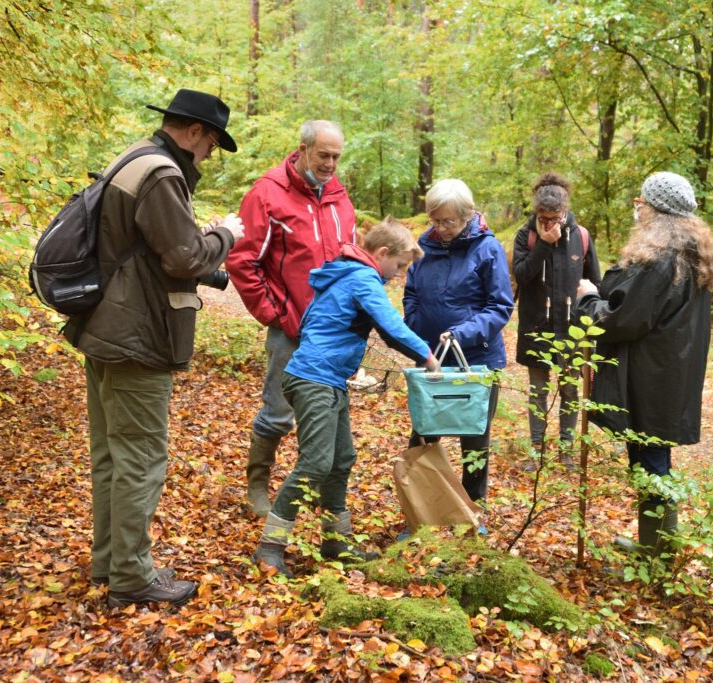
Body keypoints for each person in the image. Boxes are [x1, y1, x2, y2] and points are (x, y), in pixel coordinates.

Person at [66, 89, 244, 608]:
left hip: (103, 326)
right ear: (195, 133)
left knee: (112, 455)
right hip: (136, 336)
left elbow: (151, 248)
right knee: (142, 458)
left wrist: (197, 241)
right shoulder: (162, 173)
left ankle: (113, 561)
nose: (208, 155)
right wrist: (226, 236)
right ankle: (131, 575)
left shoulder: (132, 158)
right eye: (211, 144)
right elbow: (184, 257)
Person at [252, 218, 437, 576]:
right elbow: (390, 325)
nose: (398, 275)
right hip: (313, 379)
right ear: (382, 254)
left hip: (327, 379)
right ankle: (270, 547)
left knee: (341, 458)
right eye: (398, 266)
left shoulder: (343, 274)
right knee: (316, 463)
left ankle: (336, 541)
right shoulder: (361, 278)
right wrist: (426, 355)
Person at [576, 171, 713, 559]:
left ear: (656, 209)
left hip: (652, 374)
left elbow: (625, 319)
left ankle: (658, 551)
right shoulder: (689, 252)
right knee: (650, 457)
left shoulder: (662, 258)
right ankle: (654, 544)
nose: (637, 208)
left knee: (652, 459)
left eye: (642, 201)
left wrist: (588, 300)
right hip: (666, 372)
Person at [227, 120, 356, 518]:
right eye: (323, 155)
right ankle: (257, 487)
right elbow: (242, 260)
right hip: (292, 327)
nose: (330, 164)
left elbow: (349, 257)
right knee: (279, 411)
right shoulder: (268, 194)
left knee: (329, 413)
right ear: (301, 150)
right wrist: (275, 314)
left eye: (336, 156)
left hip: (333, 333)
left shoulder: (338, 198)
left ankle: (319, 493)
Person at [403, 179, 514, 504]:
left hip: (477, 361)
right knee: (423, 434)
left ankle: (471, 511)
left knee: (474, 438)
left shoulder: (487, 249)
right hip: (432, 358)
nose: (441, 228)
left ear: (467, 216)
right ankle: (420, 507)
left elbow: (500, 307)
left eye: (448, 221)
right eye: (435, 220)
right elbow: (411, 291)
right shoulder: (425, 246)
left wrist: (462, 333)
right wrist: (415, 323)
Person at [512, 173, 600, 471]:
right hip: (536, 326)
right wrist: (544, 245)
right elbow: (521, 275)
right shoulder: (527, 235)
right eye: (543, 216)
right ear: (536, 211)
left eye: (555, 217)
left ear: (565, 211)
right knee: (538, 391)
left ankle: (566, 450)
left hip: (572, 328)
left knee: (570, 391)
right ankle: (536, 450)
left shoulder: (582, 236)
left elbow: (597, 284)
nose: (549, 222)